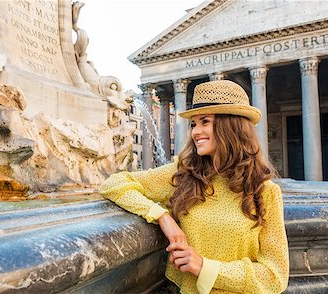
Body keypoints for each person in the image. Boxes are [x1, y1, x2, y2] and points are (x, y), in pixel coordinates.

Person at [99, 80, 289, 294]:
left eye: (204, 122)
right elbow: (113, 184)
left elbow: (275, 276)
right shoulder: (183, 174)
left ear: (231, 126)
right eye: (193, 124)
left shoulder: (265, 191)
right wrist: (162, 217)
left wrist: (205, 267)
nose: (195, 132)